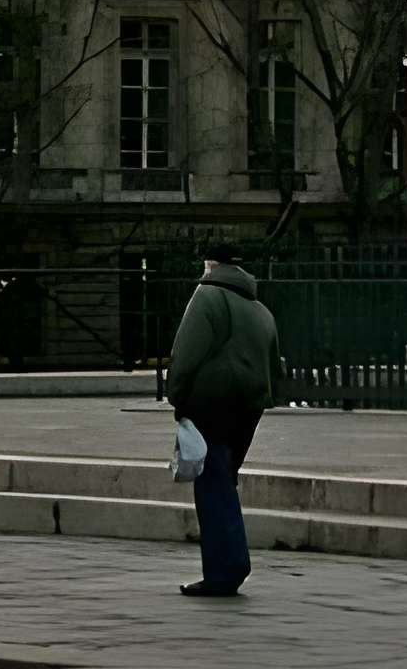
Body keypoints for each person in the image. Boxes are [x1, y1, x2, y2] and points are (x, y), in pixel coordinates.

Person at [162, 242, 279, 599]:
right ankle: (231, 564)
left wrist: (177, 396)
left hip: (211, 402)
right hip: (249, 404)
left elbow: (186, 352)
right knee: (224, 480)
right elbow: (274, 364)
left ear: (210, 265)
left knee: (211, 486)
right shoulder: (259, 308)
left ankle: (225, 570)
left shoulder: (207, 296)